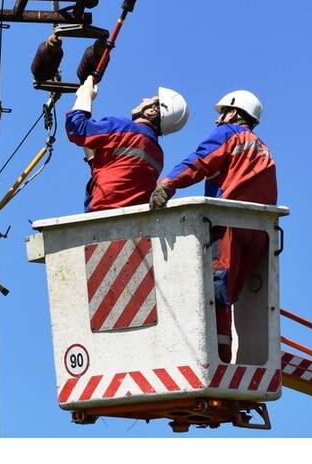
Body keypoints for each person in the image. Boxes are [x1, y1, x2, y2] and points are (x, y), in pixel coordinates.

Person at [148, 90, 277, 362]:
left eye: (221, 113)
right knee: (227, 295)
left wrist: (167, 185)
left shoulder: (229, 134)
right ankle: (224, 356)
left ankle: (217, 359)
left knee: (215, 291)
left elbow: (200, 161)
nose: (218, 120)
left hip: (228, 225)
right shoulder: (263, 148)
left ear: (234, 113)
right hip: (258, 234)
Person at [65, 76, 188, 212]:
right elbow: (119, 171)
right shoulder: (158, 155)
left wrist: (85, 96)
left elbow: (77, 129)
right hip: (131, 223)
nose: (143, 100)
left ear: (152, 111)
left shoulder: (123, 128)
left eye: (149, 99)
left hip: (101, 216)